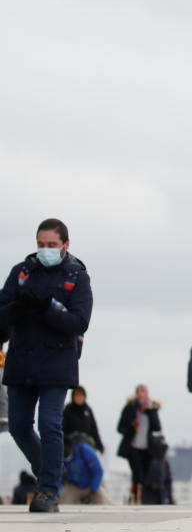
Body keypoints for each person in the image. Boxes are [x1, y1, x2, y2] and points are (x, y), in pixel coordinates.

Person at [0, 218, 94, 512]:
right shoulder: (21, 273)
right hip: (21, 362)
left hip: (57, 363)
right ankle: (51, 472)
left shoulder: (77, 276)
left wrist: (48, 309)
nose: (45, 250)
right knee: (17, 426)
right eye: (41, 244)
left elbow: (79, 322)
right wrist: (17, 308)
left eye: (51, 245)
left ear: (65, 245)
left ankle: (49, 490)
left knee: (50, 423)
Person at [116, 384, 162, 504]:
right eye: (138, 391)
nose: (141, 394)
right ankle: (136, 496)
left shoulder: (151, 409)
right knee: (137, 473)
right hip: (132, 447)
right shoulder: (129, 408)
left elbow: (157, 427)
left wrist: (150, 412)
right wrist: (132, 426)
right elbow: (120, 428)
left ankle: (141, 497)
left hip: (147, 448)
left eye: (143, 391)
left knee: (146, 474)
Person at [61, 433, 109, 504]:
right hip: (74, 486)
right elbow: (59, 476)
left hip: (91, 487)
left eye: (65, 451)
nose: (63, 454)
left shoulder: (85, 451)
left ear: (69, 447)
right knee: (62, 501)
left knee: (103, 501)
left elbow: (98, 472)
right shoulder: (60, 456)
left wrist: (93, 491)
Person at [62, 386, 104, 453]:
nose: (79, 397)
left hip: (86, 443)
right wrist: (68, 441)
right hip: (71, 445)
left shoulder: (88, 410)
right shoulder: (67, 410)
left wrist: (100, 446)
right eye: (77, 395)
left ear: (85, 396)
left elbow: (94, 429)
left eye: (81, 395)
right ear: (73, 396)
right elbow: (62, 429)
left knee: (92, 458)